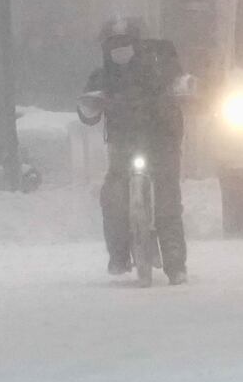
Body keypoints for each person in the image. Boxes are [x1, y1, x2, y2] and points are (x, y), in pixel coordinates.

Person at [77, 17, 189, 284]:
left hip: (161, 143)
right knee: (112, 197)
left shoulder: (159, 70)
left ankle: (176, 263)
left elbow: (180, 86)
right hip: (123, 148)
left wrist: (179, 92)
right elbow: (88, 110)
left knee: (167, 200)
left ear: (138, 45)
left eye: (126, 44)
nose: (120, 50)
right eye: (113, 45)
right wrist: (90, 105)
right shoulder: (101, 76)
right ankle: (118, 255)